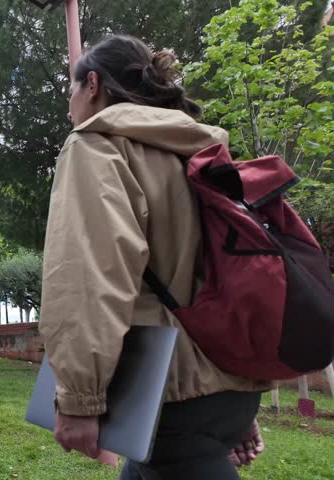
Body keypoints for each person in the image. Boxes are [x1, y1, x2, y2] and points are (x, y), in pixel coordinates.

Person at [38, 35, 270, 479]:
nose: (69, 106)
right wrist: (231, 401)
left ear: (92, 85)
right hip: (223, 385)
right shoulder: (200, 153)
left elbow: (87, 274)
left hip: (168, 399)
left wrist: (79, 399)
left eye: (70, 91)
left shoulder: (97, 146)